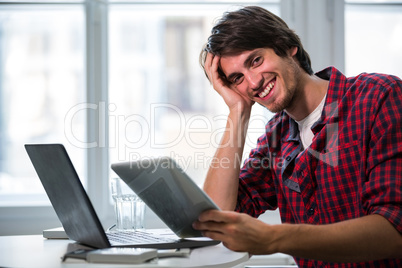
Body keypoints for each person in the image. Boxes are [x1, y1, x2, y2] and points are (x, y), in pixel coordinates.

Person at [191, 5, 402, 267]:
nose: (254, 82)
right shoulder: (275, 137)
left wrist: (274, 238)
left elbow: (395, 229)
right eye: (237, 78)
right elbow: (218, 217)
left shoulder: (378, 97)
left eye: (255, 60)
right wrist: (238, 110)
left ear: (286, 45)